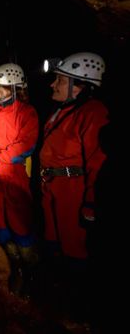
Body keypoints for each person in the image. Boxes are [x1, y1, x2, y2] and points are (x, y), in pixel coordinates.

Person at [39, 52, 108, 320]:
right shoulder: (62, 111)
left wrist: (90, 202)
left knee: (75, 247)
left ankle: (80, 309)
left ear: (79, 86)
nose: (52, 85)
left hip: (74, 189)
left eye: (60, 80)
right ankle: (59, 298)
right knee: (55, 241)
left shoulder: (93, 113)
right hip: (53, 186)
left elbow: (97, 161)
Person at [0, 63, 39, 295]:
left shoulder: (25, 113)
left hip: (12, 176)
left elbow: (26, 145)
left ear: (10, 88)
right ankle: (15, 266)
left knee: (20, 221)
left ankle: (31, 270)